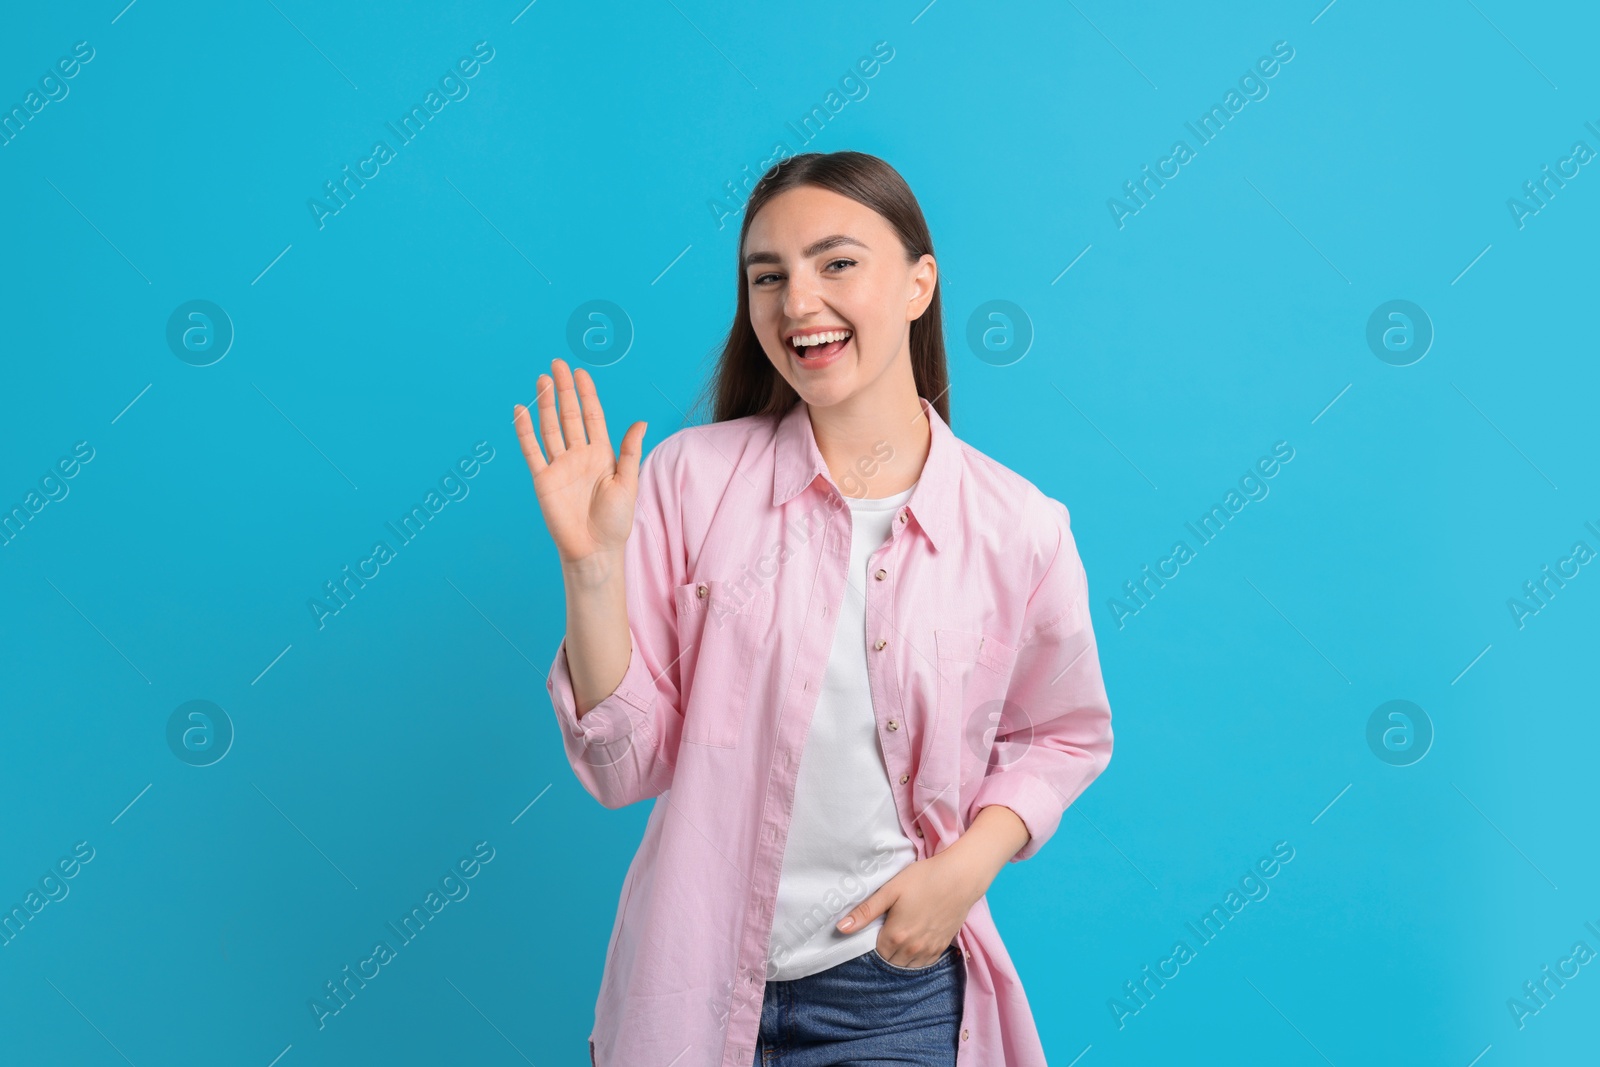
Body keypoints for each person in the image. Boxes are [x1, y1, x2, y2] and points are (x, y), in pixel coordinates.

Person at [515, 151, 1114, 1067]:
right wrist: (592, 568)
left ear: (920, 283)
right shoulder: (688, 479)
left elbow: (1064, 735)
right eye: (769, 277)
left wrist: (965, 868)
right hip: (690, 984)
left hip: (895, 990)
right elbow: (624, 765)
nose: (797, 304)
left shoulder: (1019, 527)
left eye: (837, 263)